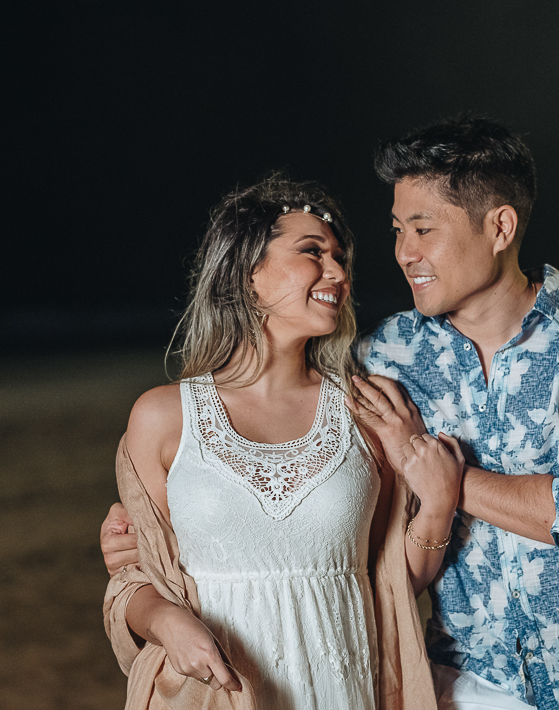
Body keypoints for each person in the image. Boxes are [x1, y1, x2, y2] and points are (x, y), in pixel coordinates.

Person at [105, 117, 559, 710]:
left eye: (423, 229)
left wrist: (443, 479)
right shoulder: (384, 360)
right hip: (475, 684)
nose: (403, 253)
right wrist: (137, 550)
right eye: (396, 230)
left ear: (499, 226)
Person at [105, 175, 459, 710]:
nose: (338, 273)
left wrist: (436, 506)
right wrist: (167, 622)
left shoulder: (368, 409)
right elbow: (135, 573)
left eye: (340, 258)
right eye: (312, 252)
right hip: (216, 696)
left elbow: (390, 583)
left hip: (343, 687)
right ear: (246, 272)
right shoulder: (162, 417)